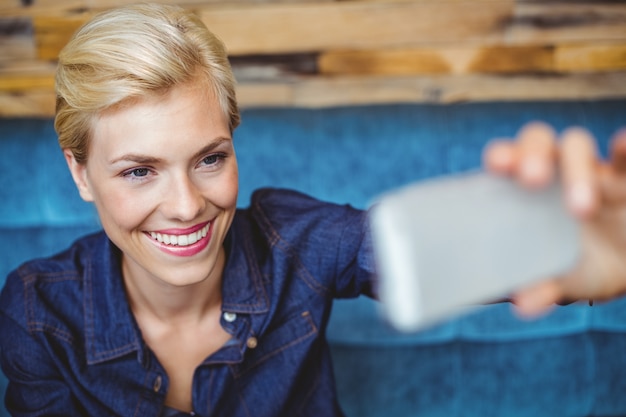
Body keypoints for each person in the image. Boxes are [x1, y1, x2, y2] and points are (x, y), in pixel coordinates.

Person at [0, 3, 624, 416]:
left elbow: (417, 249)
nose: (188, 206)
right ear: (79, 172)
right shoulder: (37, 312)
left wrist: (572, 241)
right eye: (139, 171)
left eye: (210, 158)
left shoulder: (296, 243)